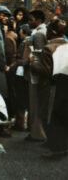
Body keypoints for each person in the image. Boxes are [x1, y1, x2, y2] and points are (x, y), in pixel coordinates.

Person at [30, 19, 68, 157]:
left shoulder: (48, 48)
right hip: (65, 86)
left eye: (47, 29)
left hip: (50, 88)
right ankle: (63, 146)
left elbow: (46, 71)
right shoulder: (66, 45)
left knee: (49, 117)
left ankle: (55, 148)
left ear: (52, 31)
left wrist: (33, 63)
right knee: (63, 117)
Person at [25, 10, 47, 142]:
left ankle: (37, 132)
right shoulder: (42, 31)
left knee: (35, 103)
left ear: (38, 20)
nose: (29, 22)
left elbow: (38, 56)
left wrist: (28, 62)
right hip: (38, 73)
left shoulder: (39, 34)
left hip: (35, 74)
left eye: (31, 19)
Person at [10, 24, 32, 131]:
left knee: (21, 99)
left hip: (22, 73)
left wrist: (20, 62)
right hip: (22, 72)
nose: (19, 32)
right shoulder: (27, 42)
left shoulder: (26, 43)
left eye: (20, 30)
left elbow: (26, 58)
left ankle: (20, 123)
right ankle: (20, 122)